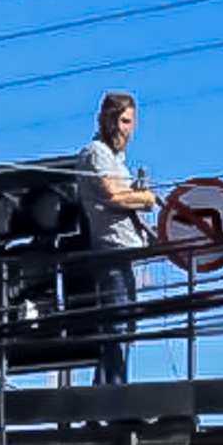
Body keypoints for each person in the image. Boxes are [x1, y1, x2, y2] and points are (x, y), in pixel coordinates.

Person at [75, 91, 156, 387]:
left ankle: (106, 392)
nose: (121, 128)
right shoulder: (96, 152)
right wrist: (145, 199)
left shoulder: (117, 160)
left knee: (124, 328)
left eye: (127, 121)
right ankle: (113, 393)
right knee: (117, 326)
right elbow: (114, 195)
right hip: (112, 254)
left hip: (128, 256)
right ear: (102, 119)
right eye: (117, 119)